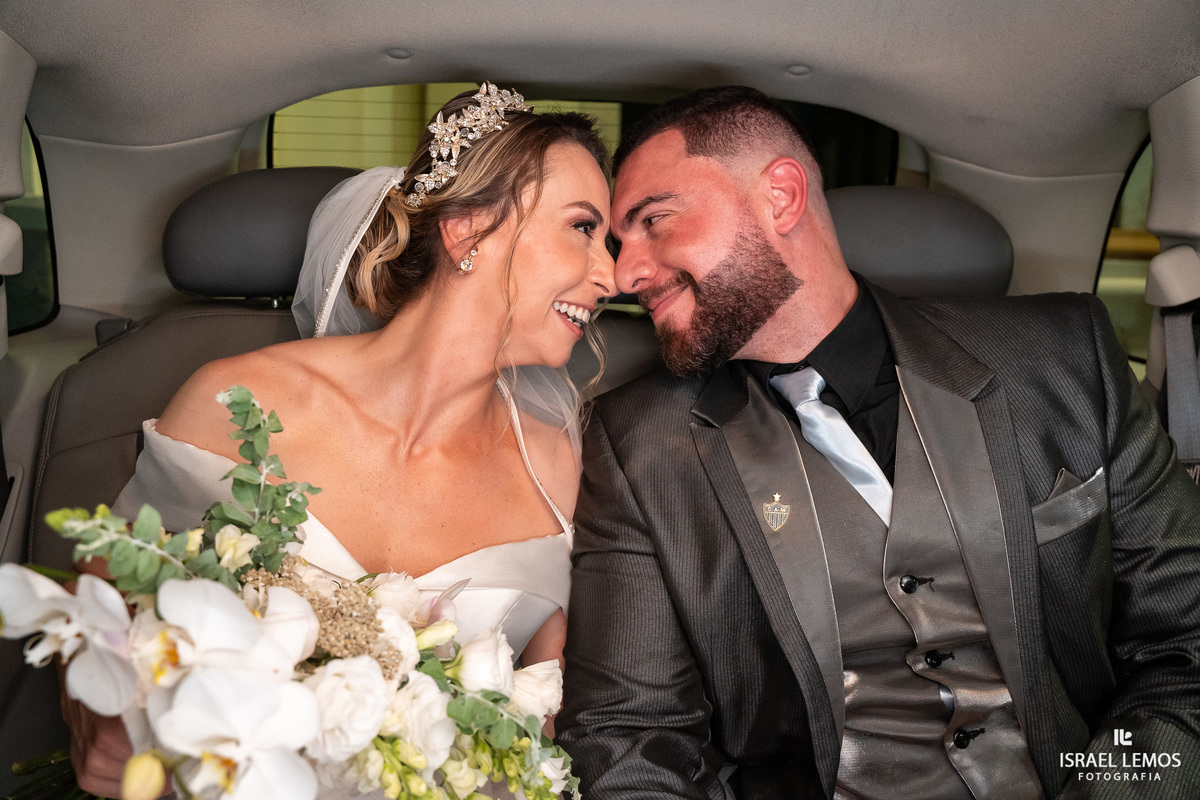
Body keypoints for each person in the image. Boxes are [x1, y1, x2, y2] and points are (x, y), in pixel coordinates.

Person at [556, 85, 1200, 799]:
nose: (624, 271)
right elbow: (630, 734)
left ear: (781, 196)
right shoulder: (640, 444)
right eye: (619, 241)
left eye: (654, 221)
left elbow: (1188, 647)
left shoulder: (1063, 358)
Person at [64, 83, 617, 798]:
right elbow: (108, 606)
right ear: (468, 229)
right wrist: (94, 718)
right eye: (582, 228)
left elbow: (551, 712)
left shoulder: (563, 470)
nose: (609, 276)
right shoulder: (235, 403)